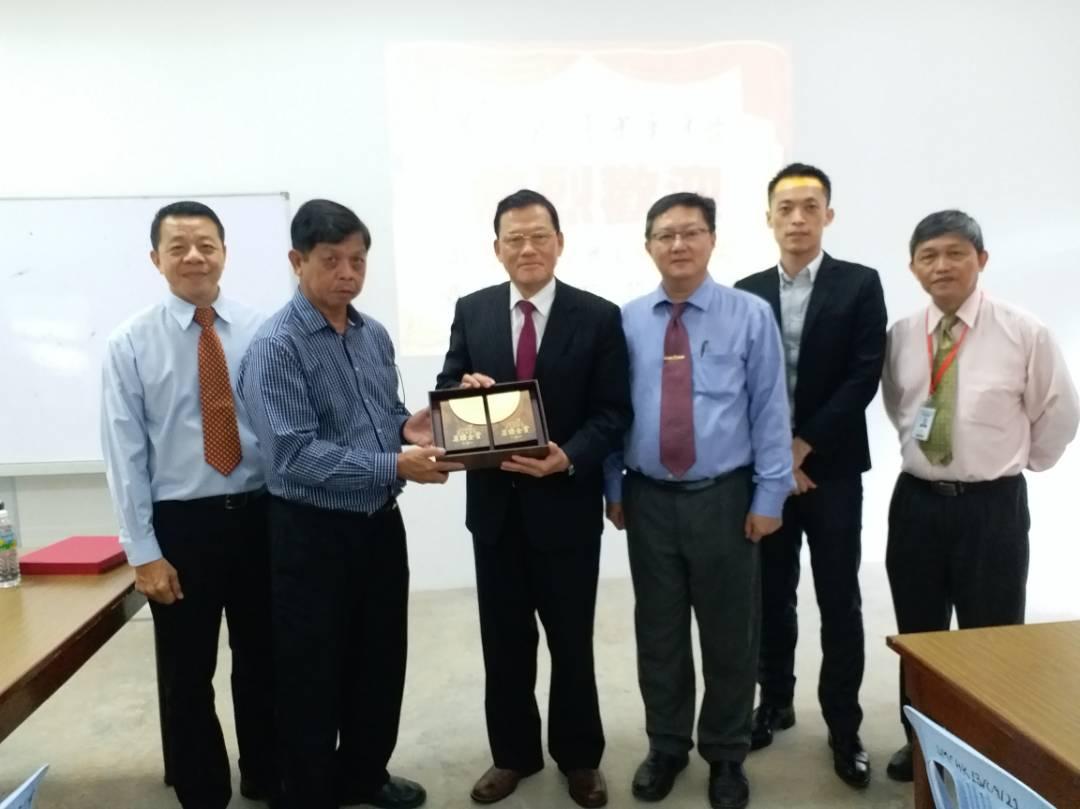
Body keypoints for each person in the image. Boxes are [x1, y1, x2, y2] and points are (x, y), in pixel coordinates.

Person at [237, 199, 457, 809]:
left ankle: (363, 774)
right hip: (310, 534)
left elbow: (382, 419)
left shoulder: (371, 334)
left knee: (379, 659)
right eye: (331, 260)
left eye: (357, 260)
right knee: (311, 671)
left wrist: (420, 429)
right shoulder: (277, 346)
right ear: (296, 261)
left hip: (379, 528)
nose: (347, 273)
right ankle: (307, 791)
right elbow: (293, 456)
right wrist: (394, 463)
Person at [436, 189, 631, 808]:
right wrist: (463, 389)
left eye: (539, 236)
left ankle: (580, 759)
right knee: (505, 642)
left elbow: (613, 412)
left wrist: (568, 455)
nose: (527, 248)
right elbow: (445, 390)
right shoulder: (473, 310)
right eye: (514, 238)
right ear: (497, 249)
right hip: (494, 512)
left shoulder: (597, 316)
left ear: (560, 242)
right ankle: (512, 755)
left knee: (571, 642)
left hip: (567, 511)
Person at [605, 192, 793, 809]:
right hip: (649, 497)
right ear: (649, 246)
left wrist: (771, 495)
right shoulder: (628, 320)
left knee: (729, 634)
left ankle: (726, 753)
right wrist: (614, 487)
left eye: (690, 232)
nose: (678, 245)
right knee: (658, 632)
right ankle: (666, 746)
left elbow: (769, 410)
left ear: (712, 239)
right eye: (665, 235)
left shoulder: (749, 314)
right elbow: (612, 413)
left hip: (725, 495)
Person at [881, 209, 1079, 781]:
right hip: (916, 501)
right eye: (928, 256)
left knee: (993, 635)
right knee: (919, 634)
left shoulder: (1023, 330)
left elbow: (1059, 410)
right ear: (914, 268)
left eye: (954, 253)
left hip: (992, 506)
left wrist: (1021, 463)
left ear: (981, 260)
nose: (941, 265)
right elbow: (901, 406)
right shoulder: (901, 335)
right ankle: (920, 737)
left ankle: (985, 749)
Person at [100, 201, 276, 809]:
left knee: (264, 661)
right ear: (156, 260)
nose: (194, 256)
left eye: (206, 244)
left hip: (260, 515)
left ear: (224, 253)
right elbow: (123, 455)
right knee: (186, 673)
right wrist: (143, 551)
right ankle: (204, 793)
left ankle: (266, 773)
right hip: (183, 527)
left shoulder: (263, 329)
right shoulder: (130, 343)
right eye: (178, 247)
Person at [735, 163, 886, 787]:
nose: (797, 218)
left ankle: (844, 725)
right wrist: (776, 457)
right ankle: (774, 702)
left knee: (838, 597)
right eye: (785, 207)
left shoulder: (859, 284)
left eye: (810, 206)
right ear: (768, 217)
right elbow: (737, 385)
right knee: (770, 593)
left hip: (832, 472)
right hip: (767, 471)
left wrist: (801, 448)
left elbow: (863, 376)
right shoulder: (744, 292)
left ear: (829, 215)